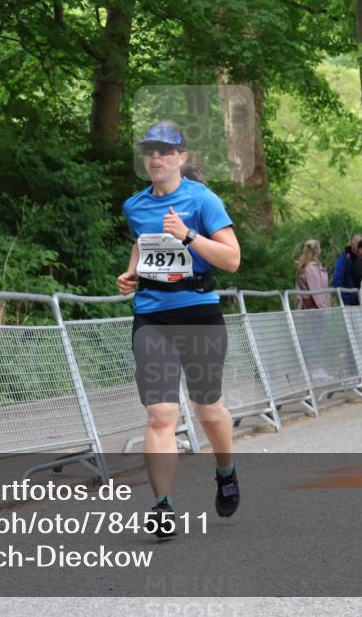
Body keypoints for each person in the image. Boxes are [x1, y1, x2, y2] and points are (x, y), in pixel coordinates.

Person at [117, 121, 241, 537]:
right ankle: (163, 505)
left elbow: (231, 259)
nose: (156, 158)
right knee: (160, 414)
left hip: (198, 313)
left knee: (208, 410)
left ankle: (225, 470)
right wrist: (131, 272)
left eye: (165, 151)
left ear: (181, 158)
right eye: (150, 151)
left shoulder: (203, 200)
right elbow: (141, 240)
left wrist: (188, 235)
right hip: (152, 316)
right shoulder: (135, 205)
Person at [295, 239, 330, 309]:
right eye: (319, 247)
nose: (321, 249)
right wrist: (321, 309)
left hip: (307, 310)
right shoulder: (311, 268)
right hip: (312, 311)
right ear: (317, 250)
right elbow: (315, 293)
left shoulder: (306, 266)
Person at [332, 233, 362, 305]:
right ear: (351, 244)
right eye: (356, 243)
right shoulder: (344, 259)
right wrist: (345, 298)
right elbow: (337, 280)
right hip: (350, 302)